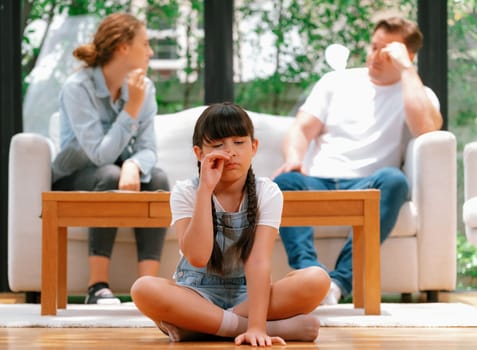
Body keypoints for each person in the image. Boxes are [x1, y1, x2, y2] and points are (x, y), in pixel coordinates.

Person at [272, 15, 443, 305]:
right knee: (285, 181)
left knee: (395, 180)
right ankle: (309, 275)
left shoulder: (416, 93)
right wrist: (294, 159)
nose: (375, 56)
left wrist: (406, 69)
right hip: (318, 181)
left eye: (386, 51)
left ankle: (338, 284)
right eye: (373, 46)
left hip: (368, 186)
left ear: (408, 55)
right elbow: (301, 128)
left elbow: (426, 128)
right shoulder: (336, 82)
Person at [131, 102, 330, 346]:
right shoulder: (185, 192)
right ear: (199, 153)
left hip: (248, 297)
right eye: (217, 145)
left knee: (317, 279)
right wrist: (205, 190)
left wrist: (257, 326)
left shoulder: (268, 192)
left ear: (254, 147)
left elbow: (258, 262)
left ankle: (201, 328)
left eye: (239, 142)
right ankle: (247, 327)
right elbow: (197, 257)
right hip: (196, 294)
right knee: (143, 289)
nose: (230, 152)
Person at [51, 13, 170, 305]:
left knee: (158, 178)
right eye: (145, 43)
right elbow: (99, 153)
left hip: (116, 169)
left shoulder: (146, 88)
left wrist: (134, 164)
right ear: (122, 48)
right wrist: (132, 108)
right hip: (75, 177)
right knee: (107, 173)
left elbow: (148, 148)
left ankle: (148, 288)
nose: (151, 52)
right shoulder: (78, 88)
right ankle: (97, 286)